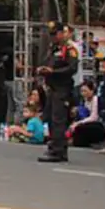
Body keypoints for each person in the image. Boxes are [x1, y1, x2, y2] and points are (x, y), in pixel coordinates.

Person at [38, 24, 77, 163]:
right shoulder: (53, 48)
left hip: (62, 88)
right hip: (52, 87)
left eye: (55, 34)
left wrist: (53, 72)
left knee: (58, 120)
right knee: (49, 118)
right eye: (51, 34)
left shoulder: (69, 49)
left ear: (62, 33)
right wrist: (43, 70)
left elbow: (72, 68)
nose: (53, 37)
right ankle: (54, 146)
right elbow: (48, 63)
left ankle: (58, 151)